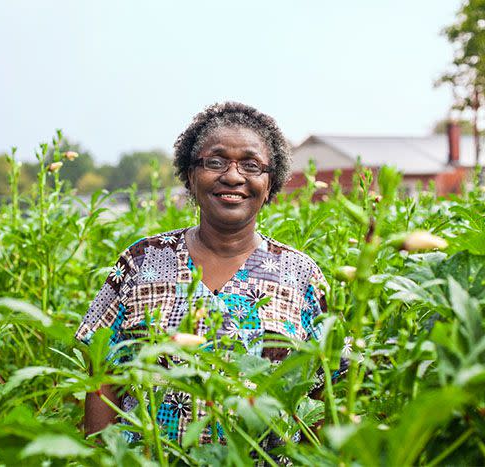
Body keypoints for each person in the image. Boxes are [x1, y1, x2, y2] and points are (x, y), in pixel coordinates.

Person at [76, 101, 331, 445]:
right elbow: (102, 378)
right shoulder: (142, 261)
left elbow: (321, 397)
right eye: (215, 162)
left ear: (271, 183)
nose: (233, 176)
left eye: (252, 165)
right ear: (191, 176)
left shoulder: (301, 275)